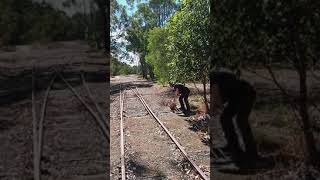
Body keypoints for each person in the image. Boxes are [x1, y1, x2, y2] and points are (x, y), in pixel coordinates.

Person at [209, 71, 259, 167]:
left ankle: (250, 156)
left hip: (245, 94)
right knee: (226, 119)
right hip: (237, 96)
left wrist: (212, 112)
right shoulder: (215, 79)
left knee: (240, 122)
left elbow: (217, 100)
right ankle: (235, 150)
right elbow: (217, 103)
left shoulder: (213, 80)